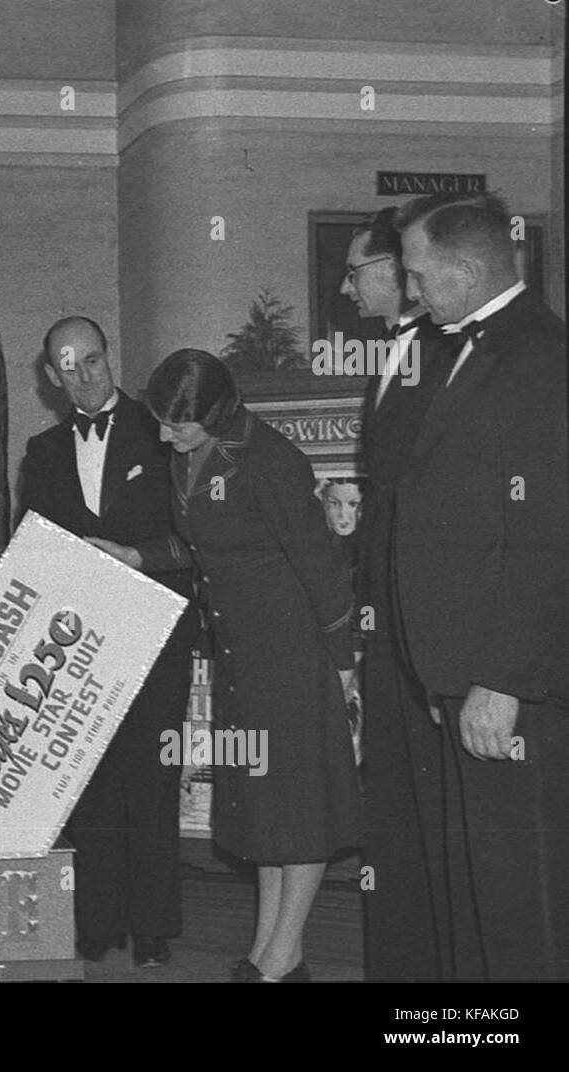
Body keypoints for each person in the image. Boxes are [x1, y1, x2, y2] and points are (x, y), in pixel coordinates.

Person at [393, 191, 568, 980]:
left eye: (418, 274)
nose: (410, 291)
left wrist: (500, 678)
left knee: (517, 904)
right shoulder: (460, 347)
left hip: (508, 683)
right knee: (476, 895)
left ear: (465, 271)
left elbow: (545, 537)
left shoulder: (539, 356)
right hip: (462, 674)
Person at [145, 349, 360, 982]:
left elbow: (321, 563)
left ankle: (284, 957)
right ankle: (270, 949)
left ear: (213, 414)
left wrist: (342, 660)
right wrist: (135, 551)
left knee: (301, 806)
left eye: (176, 425)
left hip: (291, 652)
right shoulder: (191, 456)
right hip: (242, 654)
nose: (164, 435)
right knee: (270, 810)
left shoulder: (271, 460)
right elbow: (199, 541)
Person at [20, 316, 195, 968]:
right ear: (51, 376)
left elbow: (193, 535)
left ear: (107, 356)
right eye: (70, 367)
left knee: (151, 781)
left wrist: (136, 555)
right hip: (76, 648)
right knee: (86, 782)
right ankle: (94, 921)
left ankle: (153, 927)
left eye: (93, 360)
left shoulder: (163, 431)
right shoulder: (41, 454)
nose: (86, 376)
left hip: (153, 636)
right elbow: (29, 551)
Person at [339, 206, 458, 981]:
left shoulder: (441, 358)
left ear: (396, 272)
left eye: (357, 272)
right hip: (389, 626)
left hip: (428, 630)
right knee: (397, 818)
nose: (347, 289)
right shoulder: (394, 355)